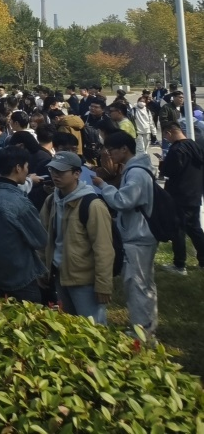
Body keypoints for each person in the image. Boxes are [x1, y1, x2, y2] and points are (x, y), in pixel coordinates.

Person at [92, 130, 158, 337]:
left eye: (111, 150)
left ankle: (142, 332)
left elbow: (123, 201)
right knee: (144, 282)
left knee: (136, 283)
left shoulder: (136, 172)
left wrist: (103, 186)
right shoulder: (136, 168)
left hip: (138, 236)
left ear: (124, 149)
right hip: (140, 233)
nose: (109, 155)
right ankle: (147, 327)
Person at [39, 151, 113, 324]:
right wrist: (43, 270)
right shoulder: (51, 201)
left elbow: (103, 249)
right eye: (52, 171)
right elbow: (44, 239)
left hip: (85, 281)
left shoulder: (92, 205)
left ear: (77, 173)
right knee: (70, 328)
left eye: (61, 172)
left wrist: (103, 285)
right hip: (60, 275)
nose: (55, 176)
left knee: (93, 329)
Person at [0, 148, 48, 303]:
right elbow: (40, 239)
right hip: (20, 274)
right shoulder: (18, 202)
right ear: (18, 168)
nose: (27, 171)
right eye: (26, 166)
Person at [159, 121, 204, 274]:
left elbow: (169, 171)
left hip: (179, 195)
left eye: (166, 136)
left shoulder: (177, 149)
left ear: (169, 132)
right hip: (194, 193)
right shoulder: (195, 146)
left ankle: (179, 264)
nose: (166, 139)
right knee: (195, 228)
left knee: (178, 229)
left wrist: (162, 164)